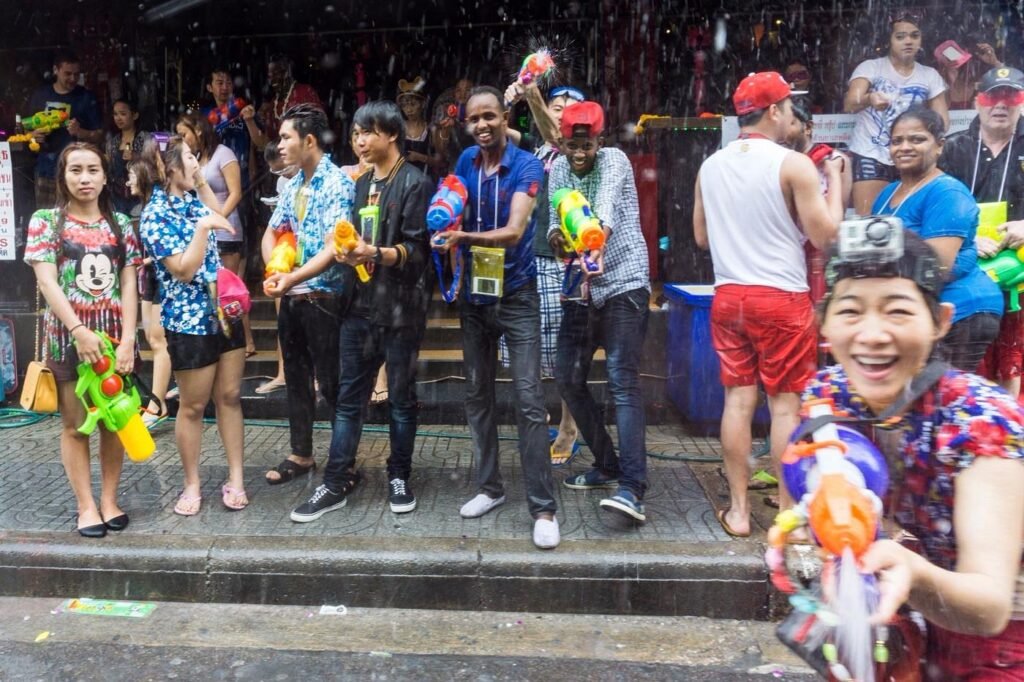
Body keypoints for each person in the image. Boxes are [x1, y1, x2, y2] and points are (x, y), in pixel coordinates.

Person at [803, 227, 1024, 679]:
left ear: (941, 321)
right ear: (823, 322)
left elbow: (990, 607)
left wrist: (909, 568)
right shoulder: (828, 396)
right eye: (850, 311)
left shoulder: (981, 420)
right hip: (907, 611)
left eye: (898, 311)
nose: (873, 334)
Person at [693, 71, 844, 538]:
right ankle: (789, 514)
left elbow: (701, 238)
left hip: (729, 295)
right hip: (782, 298)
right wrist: (834, 180)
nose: (793, 116)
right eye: (789, 107)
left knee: (738, 401)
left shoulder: (710, 165)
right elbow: (826, 235)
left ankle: (738, 513)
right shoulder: (794, 165)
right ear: (775, 110)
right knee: (785, 408)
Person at [278, 101, 432, 522]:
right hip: (358, 309)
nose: (360, 141)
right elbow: (348, 241)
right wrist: (350, 256)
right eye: (356, 135)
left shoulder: (416, 184)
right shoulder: (360, 186)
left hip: (401, 311)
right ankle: (336, 480)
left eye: (368, 133)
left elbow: (419, 254)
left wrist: (376, 253)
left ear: (392, 135)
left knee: (401, 400)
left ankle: (399, 474)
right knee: (348, 400)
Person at [431, 85, 559, 549]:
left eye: (490, 116)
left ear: (506, 117)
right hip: (475, 298)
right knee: (477, 394)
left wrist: (461, 237)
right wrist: (440, 224)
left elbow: (514, 230)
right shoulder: (466, 161)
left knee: (528, 399)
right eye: (474, 119)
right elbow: (450, 202)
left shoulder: (525, 166)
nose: (482, 125)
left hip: (517, 296)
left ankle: (543, 508)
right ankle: (489, 488)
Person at [24, 142, 141, 537]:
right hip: (67, 340)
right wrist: (78, 330)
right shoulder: (46, 221)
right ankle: (85, 505)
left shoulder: (121, 225)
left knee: (115, 421)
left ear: (106, 177)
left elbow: (129, 283)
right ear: (63, 177)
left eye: (93, 170)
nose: (84, 178)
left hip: (114, 340)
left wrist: (128, 340)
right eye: (75, 170)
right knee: (76, 425)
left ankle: (109, 500)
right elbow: (46, 280)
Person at [545, 101, 652, 522]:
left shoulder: (615, 162)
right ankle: (607, 464)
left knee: (622, 382)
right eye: (572, 145)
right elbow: (555, 223)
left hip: (624, 282)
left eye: (586, 145)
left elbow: (602, 213)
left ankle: (633, 488)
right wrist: (558, 239)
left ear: (600, 141)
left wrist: (590, 238)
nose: (579, 153)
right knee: (567, 376)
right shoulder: (557, 168)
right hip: (580, 288)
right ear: (561, 141)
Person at [140, 137, 247, 515]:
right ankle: (192, 484)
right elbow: (183, 271)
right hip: (187, 320)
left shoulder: (192, 197)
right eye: (188, 158)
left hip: (224, 310)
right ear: (168, 167)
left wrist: (201, 182)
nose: (196, 162)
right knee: (192, 406)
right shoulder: (154, 214)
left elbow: (219, 216)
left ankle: (236, 477)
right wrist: (202, 228)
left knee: (230, 397)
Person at [262, 103, 355, 486]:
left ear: (310, 140)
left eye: (286, 137)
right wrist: (274, 272)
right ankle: (301, 453)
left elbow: (336, 247)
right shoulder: (293, 183)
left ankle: (343, 461)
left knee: (332, 384)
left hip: (325, 298)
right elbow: (271, 232)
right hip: (293, 295)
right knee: (296, 378)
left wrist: (292, 277)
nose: (280, 145)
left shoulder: (336, 183)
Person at [872, 107, 1003, 371]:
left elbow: (934, 269)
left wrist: (884, 264)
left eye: (917, 139)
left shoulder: (948, 192)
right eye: (897, 141)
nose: (904, 147)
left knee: (941, 400)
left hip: (962, 309)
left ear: (939, 146)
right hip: (918, 313)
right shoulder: (887, 193)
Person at [502, 81, 587, 466]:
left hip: (561, 263)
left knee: (564, 353)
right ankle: (545, 420)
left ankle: (570, 427)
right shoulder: (538, 149)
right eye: (557, 105)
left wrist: (532, 93)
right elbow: (494, 130)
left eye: (572, 107)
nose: (563, 112)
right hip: (528, 258)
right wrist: (503, 104)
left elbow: (556, 133)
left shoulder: (577, 150)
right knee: (531, 350)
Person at [941, 66, 1024, 393]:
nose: (1000, 105)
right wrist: (967, 238)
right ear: (977, 102)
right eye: (992, 97)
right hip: (965, 269)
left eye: (1010, 96)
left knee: (1012, 359)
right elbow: (935, 205)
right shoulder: (951, 148)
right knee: (964, 359)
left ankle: (1007, 434)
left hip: (1018, 271)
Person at [844, 12, 949, 216]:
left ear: (921, 40)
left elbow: (942, 122)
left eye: (914, 35)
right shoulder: (871, 67)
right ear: (889, 41)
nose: (908, 41)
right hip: (872, 153)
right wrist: (870, 98)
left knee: (913, 218)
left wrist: (924, 127)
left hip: (912, 152)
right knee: (870, 221)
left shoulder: (929, 75)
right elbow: (850, 103)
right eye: (900, 36)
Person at [175, 112, 254, 357]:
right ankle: (223, 339)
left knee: (229, 288)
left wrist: (218, 220)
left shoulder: (224, 154)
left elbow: (235, 193)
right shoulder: (197, 158)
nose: (182, 140)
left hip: (226, 228)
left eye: (184, 134)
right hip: (205, 231)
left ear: (198, 130)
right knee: (212, 289)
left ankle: (245, 341)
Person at [787, 97, 853, 306]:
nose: (781, 132)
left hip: (820, 253)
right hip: (785, 252)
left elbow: (838, 212)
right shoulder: (775, 162)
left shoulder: (833, 160)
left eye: (790, 124)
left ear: (808, 127)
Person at [26, 50, 103, 209]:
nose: (73, 79)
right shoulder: (40, 95)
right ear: (56, 70)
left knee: (76, 218)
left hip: (77, 172)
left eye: (76, 74)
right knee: (46, 220)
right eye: (68, 74)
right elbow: (25, 129)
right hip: (46, 170)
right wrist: (32, 136)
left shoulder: (86, 97)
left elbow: (100, 135)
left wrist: (80, 132)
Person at [127, 153, 171, 427]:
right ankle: (157, 398)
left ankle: (158, 403)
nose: (128, 180)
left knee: (158, 341)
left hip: (162, 276)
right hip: (151, 275)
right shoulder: (148, 204)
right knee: (151, 339)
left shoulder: (159, 203)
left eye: (131, 175)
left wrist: (150, 259)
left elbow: (170, 243)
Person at [252, 143, 295, 396]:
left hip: (307, 257)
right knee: (283, 320)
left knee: (310, 323)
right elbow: (275, 226)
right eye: (276, 173)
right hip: (283, 253)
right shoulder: (283, 184)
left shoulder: (317, 179)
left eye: (284, 171)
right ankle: (283, 373)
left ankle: (313, 377)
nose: (281, 176)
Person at [258, 55, 324, 144]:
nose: (273, 79)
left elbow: (319, 124)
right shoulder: (272, 105)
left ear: (288, 72)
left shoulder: (305, 92)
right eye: (270, 75)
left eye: (277, 73)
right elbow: (267, 140)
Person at [103, 98, 150, 217]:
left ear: (135, 115)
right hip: (116, 196)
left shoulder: (145, 138)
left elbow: (155, 165)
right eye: (115, 114)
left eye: (123, 114)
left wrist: (137, 157)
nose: (118, 118)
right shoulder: (113, 142)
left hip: (139, 194)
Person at [937, 39, 1003, 110]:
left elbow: (1005, 83)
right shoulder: (938, 89)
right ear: (944, 70)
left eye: (961, 67)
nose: (957, 72)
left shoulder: (976, 86)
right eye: (953, 69)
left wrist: (994, 62)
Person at [396, 76, 441, 178]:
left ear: (423, 104)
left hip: (425, 179)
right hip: (401, 179)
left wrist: (420, 157)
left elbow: (440, 162)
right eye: (404, 105)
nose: (409, 110)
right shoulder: (399, 128)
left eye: (413, 104)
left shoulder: (431, 129)